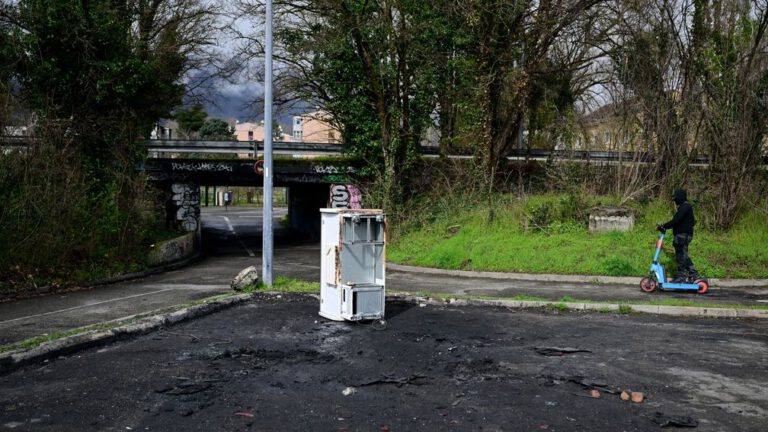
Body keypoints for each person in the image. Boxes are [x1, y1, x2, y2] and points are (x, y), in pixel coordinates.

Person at [657, 189, 699, 283]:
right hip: (684, 235)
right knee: (683, 255)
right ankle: (693, 274)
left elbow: (675, 221)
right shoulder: (685, 207)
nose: (675, 201)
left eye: (675, 198)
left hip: (683, 236)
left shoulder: (685, 207)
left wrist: (663, 226)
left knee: (681, 256)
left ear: (680, 198)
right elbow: (691, 222)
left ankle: (682, 276)